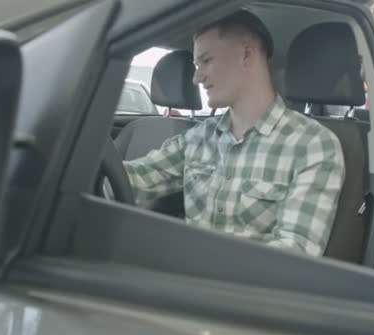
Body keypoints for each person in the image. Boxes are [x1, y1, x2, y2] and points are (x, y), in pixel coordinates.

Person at [123, 10, 345, 257]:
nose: (197, 77)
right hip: (179, 279)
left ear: (246, 54)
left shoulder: (312, 145)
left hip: (246, 292)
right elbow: (135, 178)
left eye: (206, 61)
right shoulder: (198, 137)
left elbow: (294, 255)